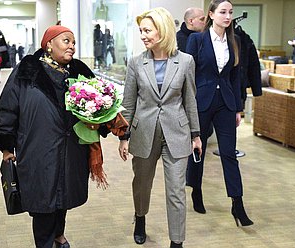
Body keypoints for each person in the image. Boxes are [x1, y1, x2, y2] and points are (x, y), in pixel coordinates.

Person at [0, 25, 95, 248]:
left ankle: (59, 235)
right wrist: (6, 147)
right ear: (49, 44)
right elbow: (8, 108)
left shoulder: (80, 72)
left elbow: (94, 108)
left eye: (73, 42)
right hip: (37, 147)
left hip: (71, 148)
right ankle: (45, 243)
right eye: (66, 41)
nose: (72, 46)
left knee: (63, 195)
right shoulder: (28, 70)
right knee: (42, 200)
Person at [118, 7, 201, 248]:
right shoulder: (136, 62)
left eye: (147, 30)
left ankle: (177, 242)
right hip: (143, 132)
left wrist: (196, 135)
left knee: (176, 191)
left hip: (177, 133)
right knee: (142, 184)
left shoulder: (185, 61)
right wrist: (124, 136)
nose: (143, 35)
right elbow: (129, 102)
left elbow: (190, 100)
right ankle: (140, 218)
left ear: (162, 30)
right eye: (141, 31)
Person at [185, 0, 254, 227]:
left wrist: (238, 108)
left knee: (229, 153)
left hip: (225, 102)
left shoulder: (235, 42)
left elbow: (236, 77)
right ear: (211, 15)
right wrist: (187, 106)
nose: (228, 16)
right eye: (223, 12)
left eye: (230, 12)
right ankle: (196, 189)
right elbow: (187, 74)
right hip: (201, 101)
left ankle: (238, 204)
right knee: (199, 149)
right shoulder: (197, 40)